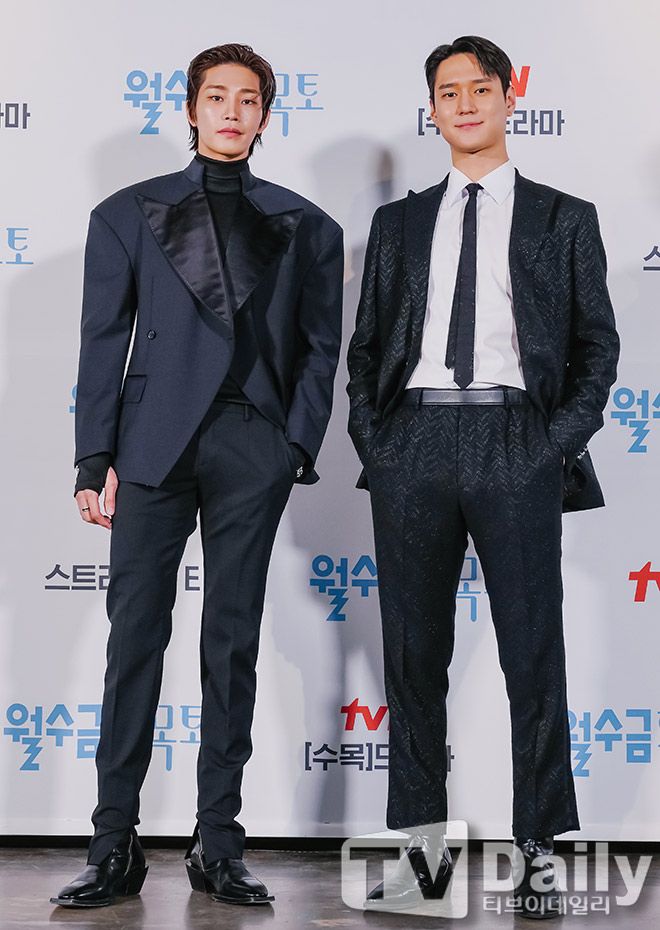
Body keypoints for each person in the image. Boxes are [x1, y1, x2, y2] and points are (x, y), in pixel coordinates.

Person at [51, 42, 343, 909]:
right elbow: (102, 341)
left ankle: (219, 843)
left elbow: (321, 348)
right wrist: (93, 457)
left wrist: (294, 446)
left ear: (265, 115)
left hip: (253, 445)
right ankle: (113, 844)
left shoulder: (307, 225)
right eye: (216, 96)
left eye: (248, 99)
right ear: (189, 108)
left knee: (232, 640)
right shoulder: (125, 214)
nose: (231, 112)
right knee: (134, 638)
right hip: (151, 447)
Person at [347, 35, 618, 919]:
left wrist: (552, 443)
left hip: (516, 439)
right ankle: (419, 858)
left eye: (479, 88)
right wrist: (378, 443)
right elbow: (365, 350)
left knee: (532, 655)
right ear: (432, 109)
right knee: (412, 657)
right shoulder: (397, 225)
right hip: (413, 441)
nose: (464, 104)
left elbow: (596, 347)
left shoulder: (564, 217)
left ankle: (538, 850)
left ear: (509, 97)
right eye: (448, 91)